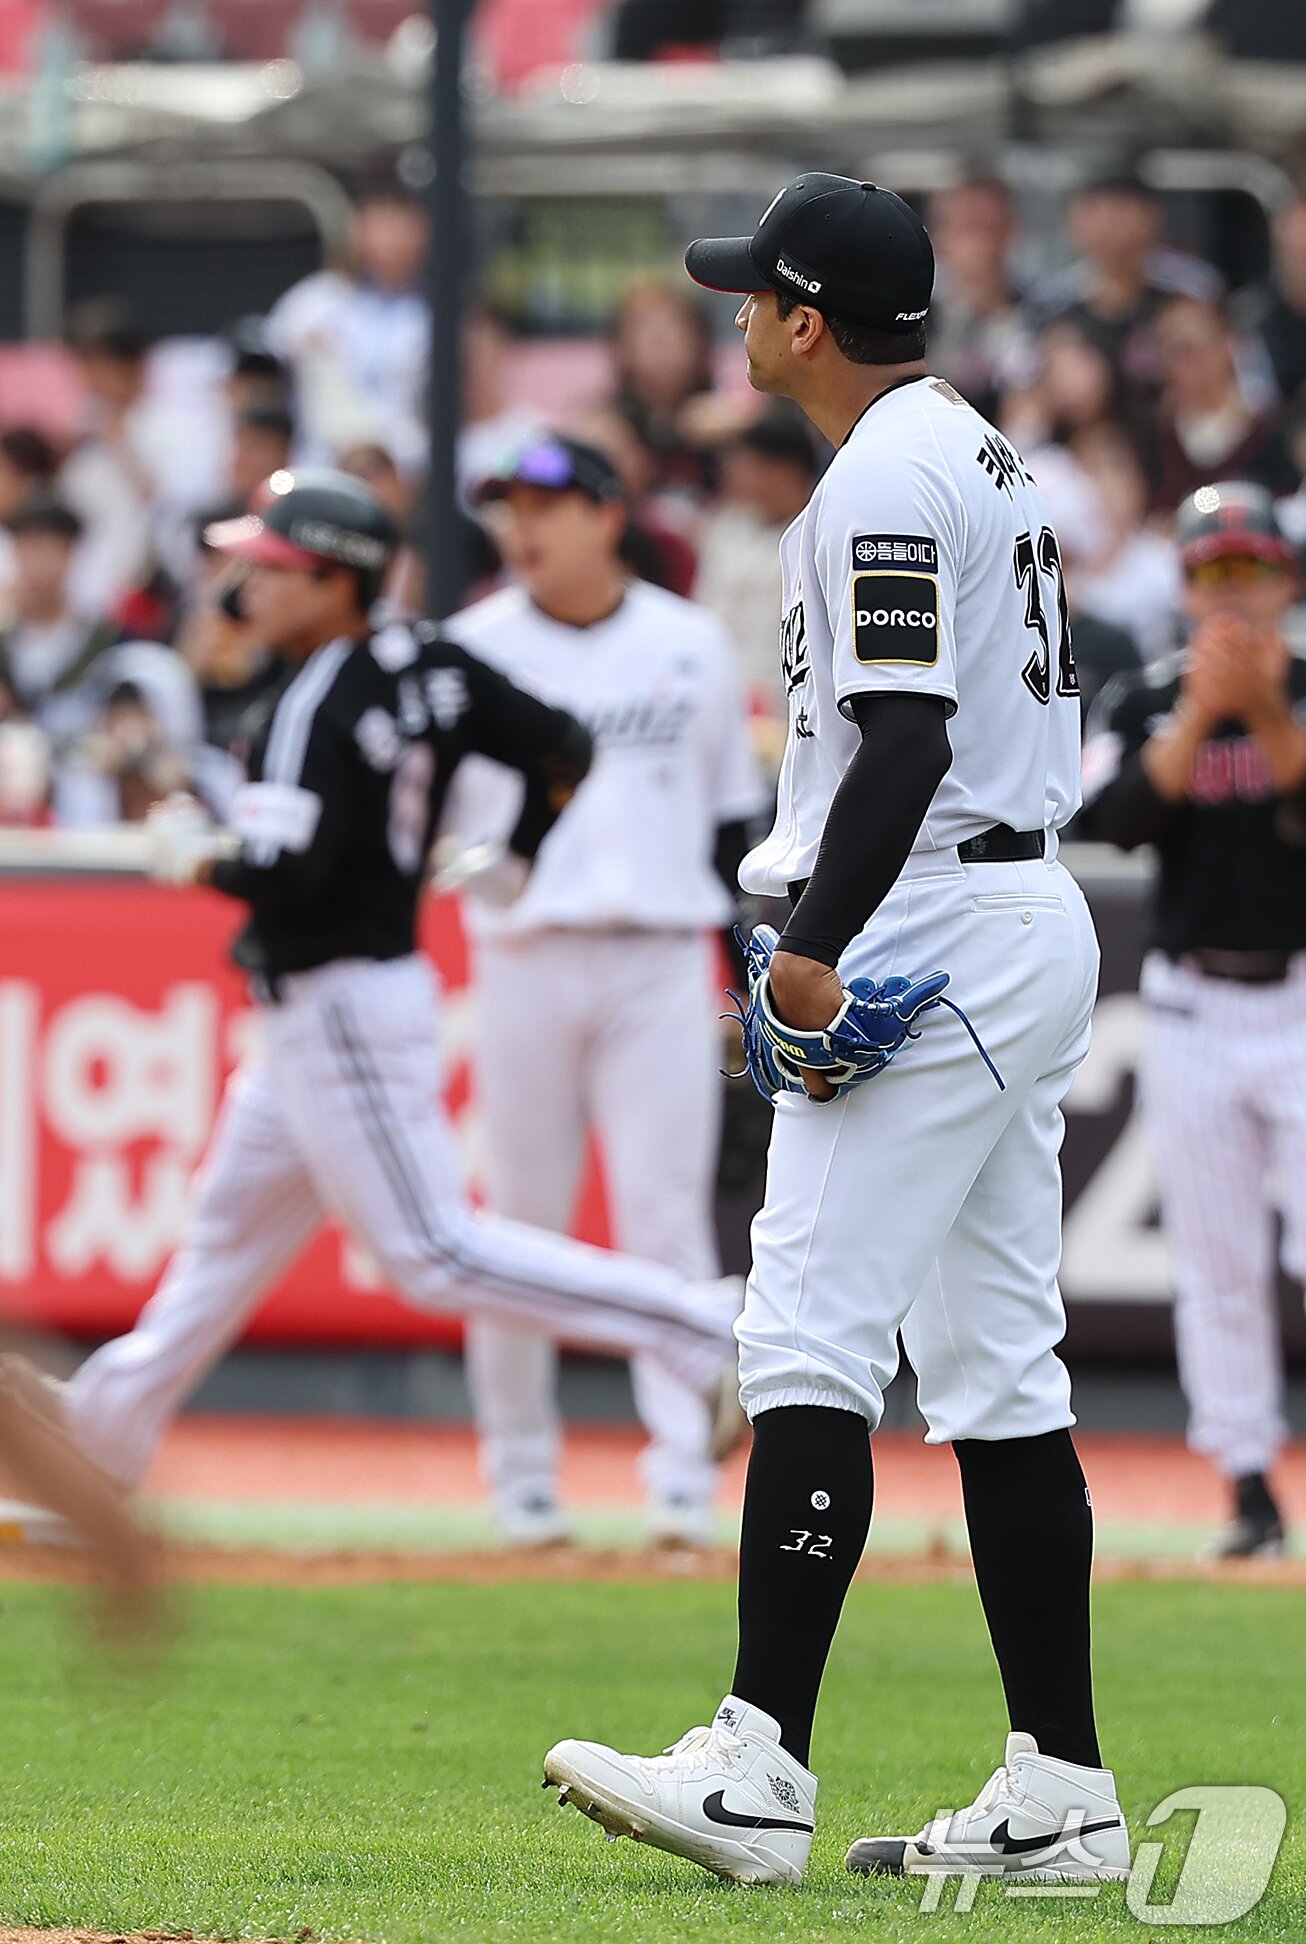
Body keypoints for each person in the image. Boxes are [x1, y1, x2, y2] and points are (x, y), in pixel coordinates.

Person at [543, 173, 1126, 1887]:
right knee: (999, 1372)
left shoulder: (877, 471)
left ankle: (756, 1763)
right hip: (1009, 901)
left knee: (804, 1330)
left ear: (804, 317)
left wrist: (811, 945)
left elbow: (905, 741)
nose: (732, 315)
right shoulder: (969, 443)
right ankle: (1062, 1792)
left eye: (750, 294)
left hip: (932, 910)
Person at [2, 469, 739, 1516]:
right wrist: (516, 854)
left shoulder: (317, 693)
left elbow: (285, 871)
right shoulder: (428, 658)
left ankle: (701, 1321)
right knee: (222, 1244)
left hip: (338, 996)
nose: (245, 584)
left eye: (270, 567)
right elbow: (565, 748)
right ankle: (99, 1444)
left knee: (435, 1252)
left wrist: (194, 857)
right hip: (337, 998)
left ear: (334, 579)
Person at [449, 437, 765, 1548]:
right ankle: (520, 1475)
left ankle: (681, 1470)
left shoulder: (686, 641)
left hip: (658, 953)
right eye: (507, 508)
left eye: (545, 503)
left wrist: (747, 974)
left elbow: (733, 822)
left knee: (660, 1217)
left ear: (607, 513)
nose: (522, 527)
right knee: (514, 1228)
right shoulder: (471, 644)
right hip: (523, 950)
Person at [1080, 481, 1306, 1559]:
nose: (1232, 593)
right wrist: (1201, 715)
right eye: (1213, 573)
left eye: (1249, 570)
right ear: (1183, 585)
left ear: (1285, 581)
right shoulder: (1143, 696)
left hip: (1299, 991)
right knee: (1217, 1264)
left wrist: (1264, 713)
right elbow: (1113, 821)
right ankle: (1249, 1487)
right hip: (1189, 1000)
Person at [265, 183, 430, 474]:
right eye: (378, 220)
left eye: (399, 221)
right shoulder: (313, 302)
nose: (388, 236)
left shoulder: (436, 315)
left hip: (404, 478)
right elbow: (259, 380)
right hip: (319, 471)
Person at [1029, 171, 1221, 395]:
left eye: (1121, 210)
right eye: (1095, 211)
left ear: (1151, 216)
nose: (1109, 225)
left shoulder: (1193, 287)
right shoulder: (1053, 300)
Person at [1151, 297, 1299, 515]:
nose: (1195, 362)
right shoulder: (1154, 441)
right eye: (1179, 350)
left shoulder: (1270, 431)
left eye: (1203, 346)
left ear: (1228, 347)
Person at [927, 175, 1035, 426]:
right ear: (940, 237)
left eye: (987, 229)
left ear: (1011, 232)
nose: (977, 244)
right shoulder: (919, 313)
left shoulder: (1038, 312)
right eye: (965, 228)